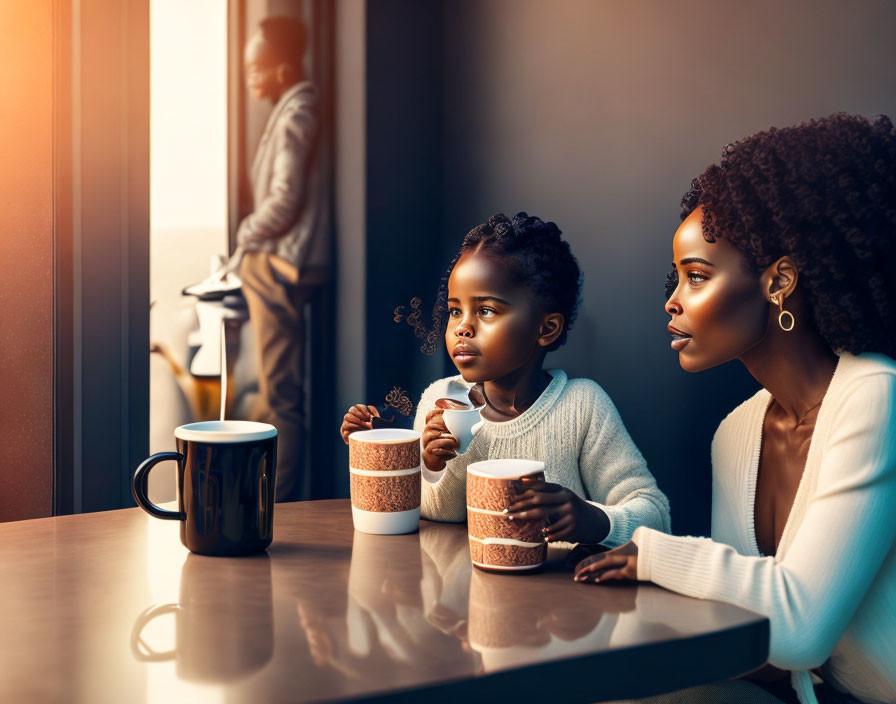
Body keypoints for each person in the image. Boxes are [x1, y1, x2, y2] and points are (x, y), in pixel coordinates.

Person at [570, 115, 896, 704]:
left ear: (779, 283)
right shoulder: (736, 434)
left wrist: (654, 554)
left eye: (696, 277)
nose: (672, 301)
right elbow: (750, 637)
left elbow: (797, 633)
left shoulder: (876, 397)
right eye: (676, 278)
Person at [341, 212, 670, 547]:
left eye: (485, 311)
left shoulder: (581, 407)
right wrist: (431, 464)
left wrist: (593, 519)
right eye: (455, 310)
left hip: (563, 595)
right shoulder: (440, 399)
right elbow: (436, 514)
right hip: (471, 595)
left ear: (546, 329)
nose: (462, 327)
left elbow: (656, 517)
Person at [238, 16, 330, 502]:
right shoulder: (295, 107)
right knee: (269, 395)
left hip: (279, 266)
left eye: (257, 68)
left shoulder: (298, 111)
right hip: (277, 264)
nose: (250, 77)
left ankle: (281, 506)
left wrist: (245, 233)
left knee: (280, 400)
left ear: (283, 68)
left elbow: (284, 198)